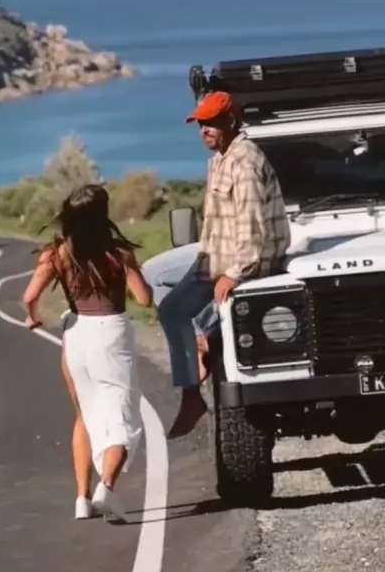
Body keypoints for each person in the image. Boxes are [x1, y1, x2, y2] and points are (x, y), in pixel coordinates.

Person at [157, 90, 291, 439]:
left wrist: (233, 274)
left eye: (211, 123)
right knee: (164, 293)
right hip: (214, 257)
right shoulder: (221, 157)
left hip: (240, 263)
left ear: (231, 121)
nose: (204, 129)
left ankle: (198, 379)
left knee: (176, 310)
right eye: (200, 124)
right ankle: (202, 347)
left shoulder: (244, 162)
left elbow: (252, 228)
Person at [22, 184, 153, 523]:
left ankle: (81, 497)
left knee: (85, 414)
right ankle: (106, 487)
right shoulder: (119, 254)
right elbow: (144, 299)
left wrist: (33, 318)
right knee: (122, 417)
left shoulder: (57, 254)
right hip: (112, 335)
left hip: (76, 335)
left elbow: (30, 296)